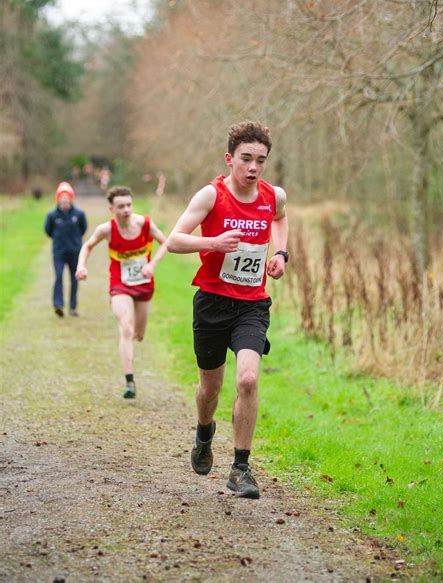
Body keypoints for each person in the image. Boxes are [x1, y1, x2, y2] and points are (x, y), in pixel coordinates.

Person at [167, 121, 288, 499]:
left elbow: (281, 220)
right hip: (213, 303)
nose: (253, 168)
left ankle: (241, 467)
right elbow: (173, 240)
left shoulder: (273, 196)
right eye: (246, 159)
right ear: (230, 159)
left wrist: (281, 253)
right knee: (210, 388)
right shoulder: (211, 195)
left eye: (261, 161)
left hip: (252, 305)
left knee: (248, 379)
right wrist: (214, 242)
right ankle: (204, 433)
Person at [75, 186, 167, 399]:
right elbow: (87, 246)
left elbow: (166, 243)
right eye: (120, 206)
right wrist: (81, 266)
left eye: (128, 205)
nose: (126, 209)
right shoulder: (106, 230)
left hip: (144, 284)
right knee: (125, 325)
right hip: (120, 285)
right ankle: (129, 381)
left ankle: (131, 348)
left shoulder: (145, 224)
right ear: (111, 208)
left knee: (139, 334)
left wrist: (152, 264)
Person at [44, 182, 87, 318]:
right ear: (58, 199)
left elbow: (83, 228)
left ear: (71, 198)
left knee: (74, 279)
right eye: (62, 197)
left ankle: (73, 307)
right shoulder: (52, 216)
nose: (64, 200)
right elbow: (48, 230)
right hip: (59, 252)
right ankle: (58, 304)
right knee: (58, 277)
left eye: (66, 197)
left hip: (75, 251)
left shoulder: (79, 214)